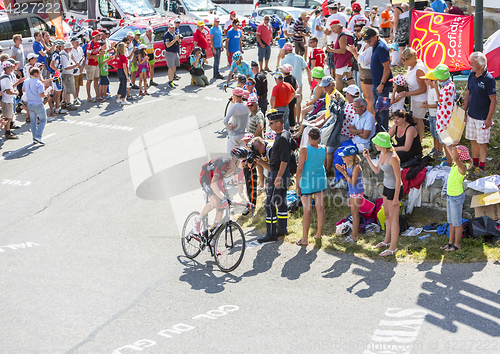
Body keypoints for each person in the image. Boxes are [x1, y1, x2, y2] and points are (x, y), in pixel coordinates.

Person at [193, 148, 248, 238]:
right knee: (215, 202)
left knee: (221, 208)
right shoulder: (223, 162)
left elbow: (241, 190)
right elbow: (213, 185)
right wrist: (223, 198)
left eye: (247, 160)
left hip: (218, 179)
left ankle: (213, 239)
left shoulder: (240, 168)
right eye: (244, 160)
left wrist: (247, 202)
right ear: (234, 159)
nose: (246, 163)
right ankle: (197, 219)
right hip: (207, 176)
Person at [363, 132, 402, 257]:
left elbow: (398, 179)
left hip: (394, 190)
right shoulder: (382, 154)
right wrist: (368, 158)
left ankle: (393, 248)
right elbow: (376, 170)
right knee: (386, 214)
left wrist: (396, 198)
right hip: (386, 187)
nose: (374, 144)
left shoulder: (393, 158)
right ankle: (386, 241)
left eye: (376, 142)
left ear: (382, 144)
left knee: (393, 218)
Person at [258, 110, 292, 243]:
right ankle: (282, 229)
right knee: (282, 202)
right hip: (283, 174)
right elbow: (293, 149)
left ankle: (271, 233)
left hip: (278, 174)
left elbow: (284, 160)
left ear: (279, 123)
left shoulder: (282, 138)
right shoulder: (286, 134)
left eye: (271, 123)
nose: (270, 125)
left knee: (269, 204)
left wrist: (277, 177)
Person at [464, 52, 497, 177]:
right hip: (471, 115)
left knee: (482, 143)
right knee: (473, 140)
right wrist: (464, 111)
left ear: (480, 64)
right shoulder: (471, 75)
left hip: (482, 118)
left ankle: (481, 167)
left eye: (472, 62)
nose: (470, 64)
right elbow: (468, 93)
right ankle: (474, 164)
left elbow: (494, 101)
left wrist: (489, 119)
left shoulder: (489, 79)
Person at [295, 127, 327, 246]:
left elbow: (299, 170)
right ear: (319, 137)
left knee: (307, 211)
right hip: (320, 182)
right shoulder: (324, 147)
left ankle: (304, 239)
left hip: (307, 183)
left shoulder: (304, 150)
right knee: (320, 209)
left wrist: (297, 185)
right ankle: (318, 234)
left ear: (308, 137)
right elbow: (324, 165)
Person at [440, 144, 469, 251]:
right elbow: (453, 155)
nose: (452, 155)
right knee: (451, 222)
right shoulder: (455, 165)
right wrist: (447, 144)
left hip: (456, 197)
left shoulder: (462, 167)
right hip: (451, 196)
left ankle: (457, 244)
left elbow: (456, 158)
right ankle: (450, 242)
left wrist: (453, 147)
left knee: (457, 223)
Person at [395, 48, 428, 142]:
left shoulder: (419, 70)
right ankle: (416, 142)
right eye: (402, 58)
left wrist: (406, 93)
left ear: (412, 59)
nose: (402, 61)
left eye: (405, 59)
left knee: (418, 120)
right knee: (415, 120)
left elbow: (423, 89)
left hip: (420, 99)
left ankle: (419, 142)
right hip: (414, 97)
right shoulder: (412, 66)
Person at [365, 28, 392, 131]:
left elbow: (387, 67)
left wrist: (382, 83)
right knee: (377, 109)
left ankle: (384, 130)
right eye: (366, 41)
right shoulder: (375, 45)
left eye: (369, 41)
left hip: (382, 85)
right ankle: (380, 128)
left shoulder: (381, 47)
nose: (367, 43)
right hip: (376, 83)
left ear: (375, 37)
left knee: (382, 110)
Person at [335, 145, 364, 242]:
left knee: (355, 214)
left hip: (357, 192)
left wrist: (343, 172)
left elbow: (352, 181)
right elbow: (347, 178)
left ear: (350, 157)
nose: (342, 158)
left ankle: (354, 236)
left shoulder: (356, 167)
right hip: (352, 191)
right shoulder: (348, 165)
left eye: (344, 156)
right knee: (353, 213)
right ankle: (355, 234)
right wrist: (344, 172)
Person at [281, 43, 310, 123]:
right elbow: (307, 69)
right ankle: (297, 121)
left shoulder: (284, 60)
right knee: (298, 103)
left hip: (287, 85)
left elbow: (281, 72)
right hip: (298, 84)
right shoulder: (299, 57)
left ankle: (291, 122)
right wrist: (309, 81)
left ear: (286, 50)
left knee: (290, 105)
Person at [434, 64, 455, 166]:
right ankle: (448, 157)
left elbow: (441, 101)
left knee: (448, 141)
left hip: (446, 118)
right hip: (443, 116)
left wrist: (435, 88)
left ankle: (450, 161)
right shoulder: (447, 85)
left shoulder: (449, 87)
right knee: (446, 140)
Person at [24, 66, 48, 144]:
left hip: (30, 104)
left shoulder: (26, 80)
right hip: (37, 104)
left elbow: (23, 89)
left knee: (33, 122)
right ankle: (38, 136)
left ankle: (34, 138)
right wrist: (46, 93)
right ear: (36, 73)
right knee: (43, 120)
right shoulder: (38, 82)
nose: (40, 74)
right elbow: (41, 95)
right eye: (39, 72)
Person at [421, 70, 442, 158]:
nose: (424, 81)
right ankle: (435, 147)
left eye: (426, 79)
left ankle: (440, 151)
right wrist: (427, 102)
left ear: (432, 80)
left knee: (438, 134)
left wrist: (428, 105)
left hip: (436, 115)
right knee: (433, 133)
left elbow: (438, 104)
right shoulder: (431, 88)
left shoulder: (436, 90)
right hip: (432, 114)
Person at [328, 20, 355, 92]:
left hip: (343, 60)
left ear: (339, 26)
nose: (332, 29)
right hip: (348, 59)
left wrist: (331, 50)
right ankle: (354, 93)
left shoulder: (343, 34)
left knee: (339, 77)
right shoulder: (345, 32)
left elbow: (343, 50)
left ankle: (336, 95)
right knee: (349, 77)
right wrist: (335, 47)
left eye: (333, 27)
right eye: (331, 28)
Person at [1, 61, 25, 139]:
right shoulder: (6, 78)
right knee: (7, 117)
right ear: (7, 68)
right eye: (10, 67)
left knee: (8, 116)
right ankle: (7, 132)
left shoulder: (6, 76)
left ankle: (8, 130)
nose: (12, 68)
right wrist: (15, 93)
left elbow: (10, 87)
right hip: (7, 100)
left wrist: (18, 83)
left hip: (8, 99)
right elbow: (8, 91)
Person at [324, 3, 348, 77]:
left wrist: (323, 29)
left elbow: (328, 32)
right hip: (342, 41)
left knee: (332, 65)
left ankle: (333, 81)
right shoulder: (344, 15)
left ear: (330, 9)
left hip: (333, 43)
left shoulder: (330, 18)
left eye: (328, 9)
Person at [223, 88, 249, 154]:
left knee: (231, 155)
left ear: (235, 95)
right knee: (242, 155)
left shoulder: (234, 107)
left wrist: (230, 128)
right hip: (244, 135)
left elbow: (225, 121)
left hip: (234, 135)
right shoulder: (247, 105)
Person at [49, 40, 67, 115]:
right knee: (58, 92)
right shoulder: (56, 54)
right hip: (56, 75)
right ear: (58, 46)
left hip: (54, 74)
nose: (64, 46)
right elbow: (51, 65)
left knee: (55, 92)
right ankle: (57, 108)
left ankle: (54, 107)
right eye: (62, 45)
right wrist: (58, 70)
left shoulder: (55, 53)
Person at [60, 42, 79, 109]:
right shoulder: (64, 55)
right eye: (70, 48)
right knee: (68, 90)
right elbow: (66, 67)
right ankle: (68, 103)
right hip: (67, 74)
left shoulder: (66, 54)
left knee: (65, 90)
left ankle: (64, 102)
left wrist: (73, 60)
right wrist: (75, 65)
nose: (71, 49)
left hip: (68, 73)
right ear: (67, 48)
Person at [163, 23, 182, 90]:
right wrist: (175, 40)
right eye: (171, 28)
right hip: (169, 53)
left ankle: (172, 80)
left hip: (175, 52)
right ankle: (170, 82)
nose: (172, 29)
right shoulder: (167, 35)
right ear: (168, 28)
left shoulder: (174, 33)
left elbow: (178, 42)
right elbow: (167, 45)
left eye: (173, 27)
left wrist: (179, 40)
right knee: (171, 68)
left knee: (174, 67)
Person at [86, 30, 102, 103]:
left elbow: (98, 52)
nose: (100, 36)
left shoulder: (98, 43)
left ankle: (97, 95)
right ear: (95, 36)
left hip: (96, 64)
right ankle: (89, 96)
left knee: (96, 79)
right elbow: (89, 56)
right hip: (90, 64)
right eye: (98, 35)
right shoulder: (90, 44)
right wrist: (98, 55)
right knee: (89, 80)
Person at [281, 64, 298, 128]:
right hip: (293, 97)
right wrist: (295, 93)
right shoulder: (293, 77)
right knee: (292, 112)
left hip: (287, 98)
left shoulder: (284, 80)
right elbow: (297, 87)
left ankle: (288, 127)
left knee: (287, 113)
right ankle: (292, 126)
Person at [70, 38, 84, 105]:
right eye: (76, 42)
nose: (78, 43)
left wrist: (82, 67)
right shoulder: (70, 50)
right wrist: (79, 66)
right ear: (72, 43)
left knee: (78, 85)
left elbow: (83, 57)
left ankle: (77, 97)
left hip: (80, 70)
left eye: (78, 42)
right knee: (74, 85)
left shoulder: (80, 48)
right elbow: (72, 60)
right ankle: (75, 99)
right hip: (74, 70)